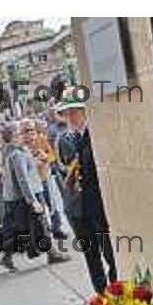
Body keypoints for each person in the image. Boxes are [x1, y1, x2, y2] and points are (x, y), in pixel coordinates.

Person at [57, 97, 117, 293]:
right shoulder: (63, 140)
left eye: (74, 111)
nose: (70, 117)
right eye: (66, 113)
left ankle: (117, 293)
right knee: (90, 255)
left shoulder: (97, 134)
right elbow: (63, 171)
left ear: (84, 111)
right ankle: (101, 295)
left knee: (110, 252)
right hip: (75, 207)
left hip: (97, 204)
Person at [0, 122, 70, 272]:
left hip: (27, 194)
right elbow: (22, 178)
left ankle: (9, 256)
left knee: (27, 227)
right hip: (28, 195)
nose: (23, 135)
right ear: (13, 136)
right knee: (39, 224)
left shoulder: (17, 151)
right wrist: (33, 201)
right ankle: (52, 253)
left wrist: (36, 161)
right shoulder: (16, 154)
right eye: (19, 132)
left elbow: (27, 169)